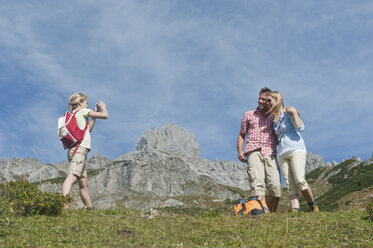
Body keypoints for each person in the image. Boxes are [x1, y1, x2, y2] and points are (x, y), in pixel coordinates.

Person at [266, 91, 319, 213]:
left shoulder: (288, 111)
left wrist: (294, 113)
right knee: (289, 184)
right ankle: (294, 209)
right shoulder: (274, 120)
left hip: (296, 149)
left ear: (277, 100)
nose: (267, 103)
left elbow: (301, 128)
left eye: (269, 100)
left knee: (300, 180)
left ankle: (312, 205)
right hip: (283, 153)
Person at [237, 87, 281, 212]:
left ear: (270, 101)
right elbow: (241, 134)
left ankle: (270, 214)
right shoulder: (249, 115)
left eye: (264, 99)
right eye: (259, 98)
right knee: (257, 183)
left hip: (270, 152)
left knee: (275, 187)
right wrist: (240, 151)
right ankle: (261, 213)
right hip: (253, 150)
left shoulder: (275, 116)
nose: (261, 101)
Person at [62, 93, 109, 210]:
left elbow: (87, 131)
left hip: (76, 151)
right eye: (86, 103)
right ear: (80, 104)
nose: (87, 105)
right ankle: (63, 204)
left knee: (83, 183)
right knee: (72, 176)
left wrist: (93, 117)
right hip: (79, 151)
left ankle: (89, 208)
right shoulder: (83, 112)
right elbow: (105, 116)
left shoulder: (76, 114)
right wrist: (103, 108)